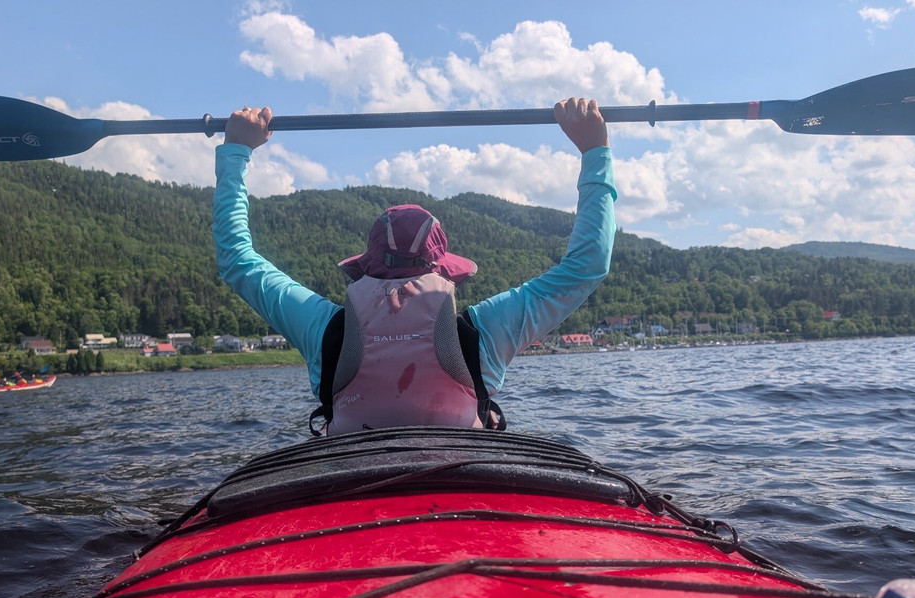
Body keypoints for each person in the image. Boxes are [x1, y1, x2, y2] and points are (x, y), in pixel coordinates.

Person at [213, 97, 616, 436]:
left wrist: (237, 151)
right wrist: (594, 150)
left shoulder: (324, 330)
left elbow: (237, 258)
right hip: (456, 484)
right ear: (442, 271)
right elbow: (588, 265)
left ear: (365, 267)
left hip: (354, 491)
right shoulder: (483, 334)